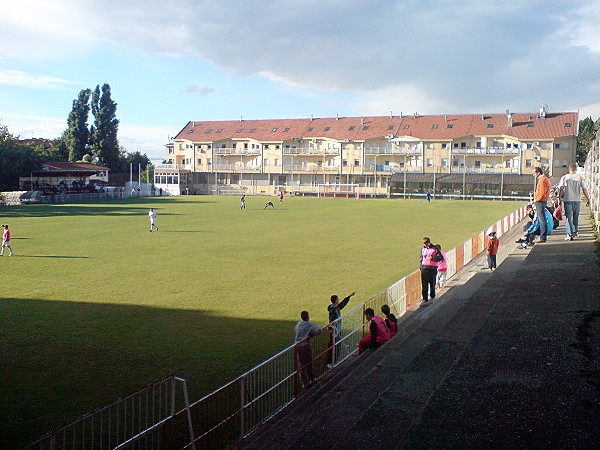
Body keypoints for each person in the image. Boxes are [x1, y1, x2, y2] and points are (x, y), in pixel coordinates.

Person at [559, 164, 591, 240]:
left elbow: (561, 188)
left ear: (569, 170)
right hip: (577, 199)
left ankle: (569, 234)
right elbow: (584, 189)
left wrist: (559, 198)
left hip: (567, 199)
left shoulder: (565, 177)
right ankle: (575, 231)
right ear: (576, 170)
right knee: (576, 216)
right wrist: (588, 199)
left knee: (568, 217)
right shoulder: (580, 177)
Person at [326, 291, 355, 366]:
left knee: (336, 346)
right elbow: (332, 320)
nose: (339, 300)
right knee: (333, 346)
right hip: (334, 331)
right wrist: (332, 329)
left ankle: (334, 360)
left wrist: (349, 296)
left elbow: (343, 304)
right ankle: (330, 362)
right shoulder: (334, 310)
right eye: (338, 299)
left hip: (337, 330)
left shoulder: (336, 308)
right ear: (336, 301)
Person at [294, 311, 322, 389]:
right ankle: (312, 379)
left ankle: (304, 383)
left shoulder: (298, 324)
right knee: (308, 363)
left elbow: (295, 330)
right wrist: (311, 335)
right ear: (308, 317)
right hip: (305, 346)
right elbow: (319, 330)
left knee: (301, 364)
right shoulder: (310, 325)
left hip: (298, 345)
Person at [532, 167, 551, 242]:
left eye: (534, 173)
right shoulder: (544, 179)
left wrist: (536, 200)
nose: (533, 175)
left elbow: (542, 193)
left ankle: (542, 237)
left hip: (540, 201)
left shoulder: (542, 180)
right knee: (542, 219)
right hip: (542, 200)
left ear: (538, 173)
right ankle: (542, 236)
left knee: (542, 219)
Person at [420, 237, 439, 305]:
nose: (425, 245)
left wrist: (432, 258)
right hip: (424, 268)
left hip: (432, 268)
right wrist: (421, 267)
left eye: (426, 243)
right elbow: (421, 257)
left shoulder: (435, 248)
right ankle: (425, 299)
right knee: (424, 284)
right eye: (424, 243)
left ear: (429, 242)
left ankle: (432, 297)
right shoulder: (423, 248)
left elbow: (440, 258)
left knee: (432, 283)